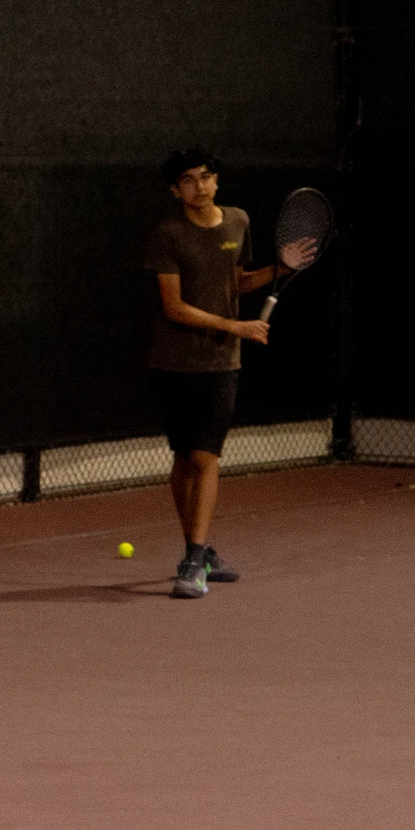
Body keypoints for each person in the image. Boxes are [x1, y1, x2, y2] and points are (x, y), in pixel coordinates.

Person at [143, 147, 310, 599]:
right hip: (172, 362)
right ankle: (198, 550)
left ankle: (194, 559)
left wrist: (279, 268)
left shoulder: (237, 221)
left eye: (207, 177)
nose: (200, 186)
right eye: (189, 180)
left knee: (206, 457)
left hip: (222, 364)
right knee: (183, 459)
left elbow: (234, 280)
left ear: (216, 180)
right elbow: (174, 306)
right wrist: (235, 325)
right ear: (175, 190)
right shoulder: (167, 234)